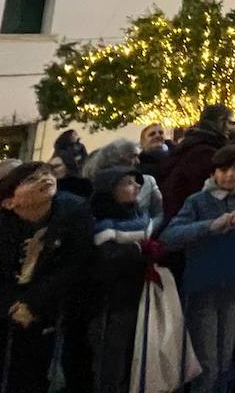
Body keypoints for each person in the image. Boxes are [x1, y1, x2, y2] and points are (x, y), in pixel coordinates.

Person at [0, 163, 95, 392]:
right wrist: (12, 305)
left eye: (46, 173)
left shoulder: (73, 212)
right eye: (32, 179)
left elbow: (73, 264)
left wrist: (33, 302)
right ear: (9, 201)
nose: (45, 179)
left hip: (51, 313)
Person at [162, 144, 235, 393]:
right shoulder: (198, 201)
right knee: (208, 361)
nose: (229, 176)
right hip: (204, 286)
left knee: (225, 357)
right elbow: (170, 235)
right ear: (214, 172)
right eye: (223, 170)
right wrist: (209, 226)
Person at [88, 167, 156, 393]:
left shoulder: (138, 214)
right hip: (113, 302)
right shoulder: (104, 221)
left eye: (136, 182)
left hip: (138, 295)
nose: (137, 186)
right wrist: (138, 250)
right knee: (111, 361)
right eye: (128, 183)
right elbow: (107, 257)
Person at [160, 104, 234, 221]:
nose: (232, 127)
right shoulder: (204, 152)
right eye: (230, 122)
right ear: (221, 121)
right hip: (190, 219)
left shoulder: (193, 144)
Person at [84, 137, 164, 221]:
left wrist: (148, 228)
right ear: (116, 159)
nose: (138, 161)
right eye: (132, 157)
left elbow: (159, 213)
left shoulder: (148, 182)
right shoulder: (98, 183)